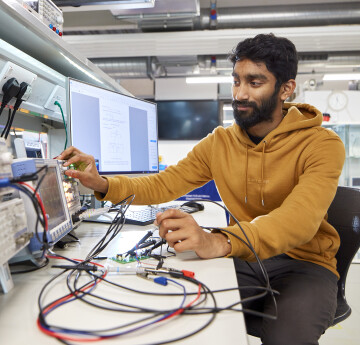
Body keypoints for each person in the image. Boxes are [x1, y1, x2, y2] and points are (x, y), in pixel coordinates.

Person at [57, 33, 345, 345]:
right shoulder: (220, 142)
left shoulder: (322, 144)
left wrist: (219, 241)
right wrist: (103, 184)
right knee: (186, 314)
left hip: (305, 265)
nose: (240, 93)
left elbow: (298, 220)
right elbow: (163, 183)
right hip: (249, 257)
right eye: (236, 81)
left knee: (287, 337)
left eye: (255, 82)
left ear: (286, 89)